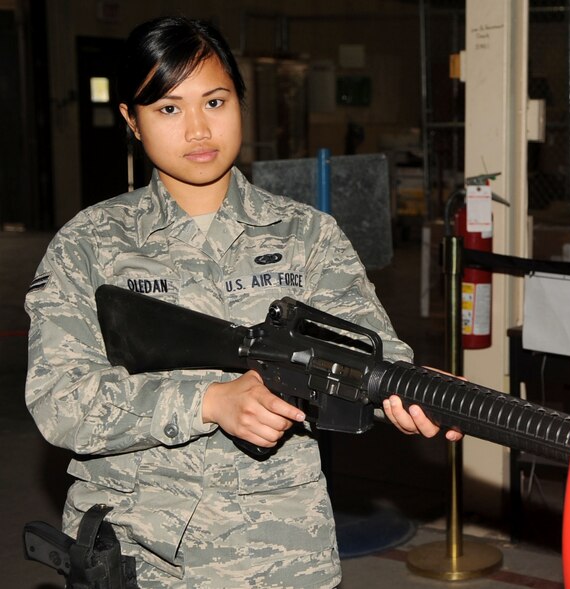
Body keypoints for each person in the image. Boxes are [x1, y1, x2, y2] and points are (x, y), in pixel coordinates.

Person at [25, 16, 460, 588]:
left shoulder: (306, 235)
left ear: (241, 102)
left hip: (280, 553)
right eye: (169, 109)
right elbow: (59, 400)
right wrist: (207, 402)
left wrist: (404, 390)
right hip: (142, 557)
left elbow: (365, 348)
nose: (199, 129)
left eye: (215, 101)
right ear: (131, 120)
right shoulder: (89, 246)